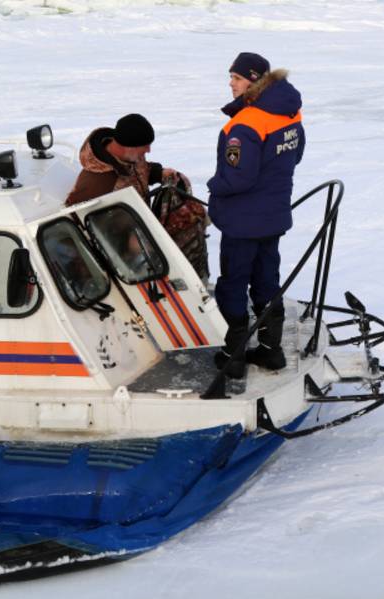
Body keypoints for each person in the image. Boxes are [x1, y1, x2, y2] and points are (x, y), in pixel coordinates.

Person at [207, 52, 305, 379]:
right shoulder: (290, 113)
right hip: (273, 215)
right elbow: (297, 155)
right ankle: (270, 350)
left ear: (253, 80)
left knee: (233, 283)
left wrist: (213, 185)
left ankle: (233, 354)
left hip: (242, 221)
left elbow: (237, 178)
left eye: (236, 78)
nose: (230, 84)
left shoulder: (245, 124)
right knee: (266, 280)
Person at [65, 114, 209, 279]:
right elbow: (78, 223)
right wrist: (127, 238)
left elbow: (139, 170)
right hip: (122, 253)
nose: (148, 150)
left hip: (139, 228)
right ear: (128, 147)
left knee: (191, 216)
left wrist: (158, 173)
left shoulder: (130, 157)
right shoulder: (97, 182)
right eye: (145, 146)